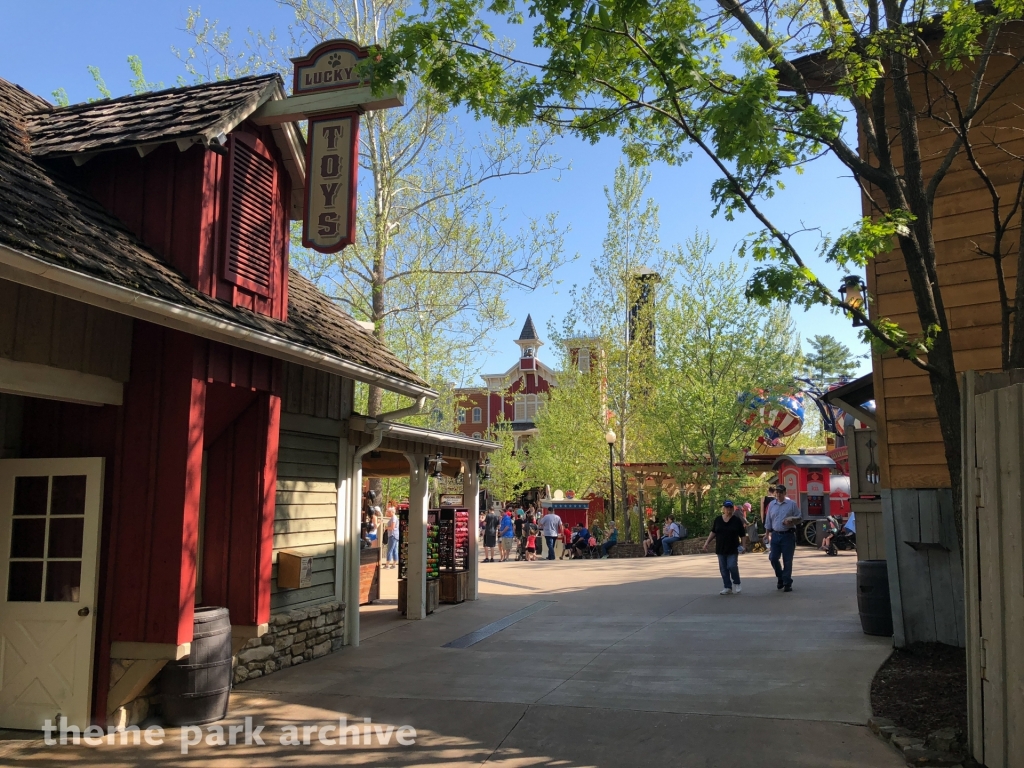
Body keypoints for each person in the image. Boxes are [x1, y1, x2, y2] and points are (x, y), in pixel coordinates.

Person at [703, 501, 747, 594]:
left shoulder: (736, 520)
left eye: (730, 508)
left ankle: (737, 582)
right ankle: (727, 587)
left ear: (733, 508)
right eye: (727, 508)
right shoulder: (718, 519)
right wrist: (707, 542)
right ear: (723, 508)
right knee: (723, 569)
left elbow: (743, 535)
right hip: (720, 548)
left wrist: (744, 546)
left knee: (732, 566)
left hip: (733, 547)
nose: (729, 509)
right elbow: (713, 532)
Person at [765, 484, 800, 591]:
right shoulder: (772, 505)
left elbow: (799, 518)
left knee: (787, 560)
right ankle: (780, 577)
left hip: (788, 535)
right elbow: (768, 521)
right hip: (775, 535)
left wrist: (791, 520)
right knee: (773, 558)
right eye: (777, 492)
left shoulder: (791, 504)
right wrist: (766, 534)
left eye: (781, 492)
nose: (778, 494)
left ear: (785, 493)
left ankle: (787, 582)